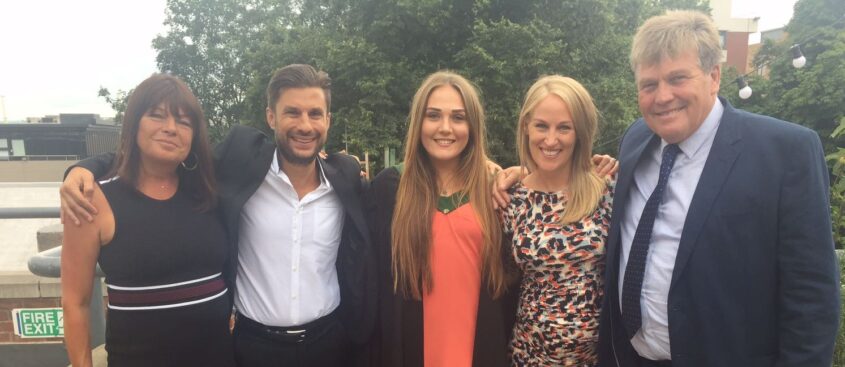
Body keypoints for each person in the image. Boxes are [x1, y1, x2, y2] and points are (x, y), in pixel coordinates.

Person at [61, 64, 375, 367]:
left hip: (330, 343)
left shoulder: (345, 178)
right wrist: (85, 167)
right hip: (253, 347)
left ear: (328, 120)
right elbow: (163, 151)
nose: (305, 125)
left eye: (315, 114)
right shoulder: (240, 165)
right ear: (271, 117)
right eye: (292, 112)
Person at [596, 10, 839, 367]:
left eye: (677, 78)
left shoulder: (785, 152)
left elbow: (812, 299)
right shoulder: (637, 139)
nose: (662, 97)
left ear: (714, 76)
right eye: (648, 84)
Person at [61, 74, 234, 366]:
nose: (170, 128)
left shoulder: (209, 189)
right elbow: (75, 303)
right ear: (134, 124)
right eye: (157, 116)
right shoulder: (93, 198)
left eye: (183, 121)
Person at [366, 71, 516, 367]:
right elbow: (374, 283)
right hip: (410, 350)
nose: (445, 128)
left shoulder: (494, 190)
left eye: (458, 118)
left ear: (472, 126)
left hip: (479, 347)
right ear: (419, 122)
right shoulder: (390, 188)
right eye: (433, 115)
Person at [500, 75, 614, 366]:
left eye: (564, 127)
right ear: (526, 126)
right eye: (541, 126)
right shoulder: (510, 198)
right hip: (528, 355)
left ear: (580, 132)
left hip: (596, 358)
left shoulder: (607, 189)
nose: (551, 140)